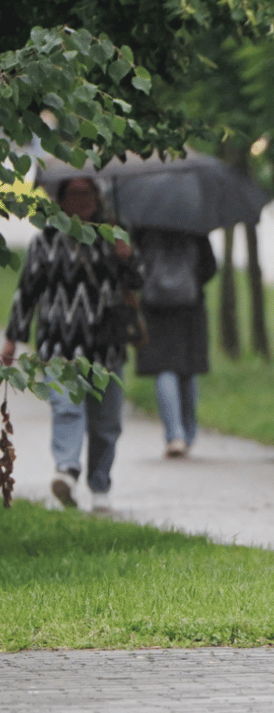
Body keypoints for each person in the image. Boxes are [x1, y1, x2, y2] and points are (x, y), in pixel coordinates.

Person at [2, 177, 143, 512]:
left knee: (107, 422)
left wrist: (127, 258)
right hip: (58, 346)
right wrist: (13, 339)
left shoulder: (114, 234)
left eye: (88, 193)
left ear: (98, 196)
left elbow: (138, 280)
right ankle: (66, 470)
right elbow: (27, 292)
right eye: (75, 194)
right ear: (60, 200)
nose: (83, 200)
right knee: (66, 408)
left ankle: (100, 485)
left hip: (106, 346)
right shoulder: (45, 241)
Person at [133, 228, 218, 458]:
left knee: (164, 368)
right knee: (187, 370)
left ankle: (174, 435)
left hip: (154, 307)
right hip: (190, 306)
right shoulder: (195, 226)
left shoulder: (145, 226)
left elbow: (134, 266)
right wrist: (191, 282)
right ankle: (189, 434)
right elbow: (210, 267)